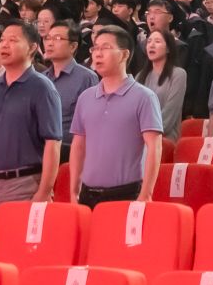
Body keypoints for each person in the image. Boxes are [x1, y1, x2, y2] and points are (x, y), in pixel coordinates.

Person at [67, 26, 163, 206]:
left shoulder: (144, 97)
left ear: (124, 54)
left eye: (105, 48)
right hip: (87, 194)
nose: (98, 54)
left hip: (126, 193)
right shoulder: (86, 97)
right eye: (95, 48)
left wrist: (146, 193)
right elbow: (78, 146)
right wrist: (73, 190)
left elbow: (154, 148)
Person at [0, 21, 62, 206]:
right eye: (2, 40)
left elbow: (53, 143)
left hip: (26, 184)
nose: (4, 45)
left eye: (13, 40)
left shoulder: (42, 87)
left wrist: (44, 192)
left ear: (32, 48)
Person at [42, 22, 97, 146]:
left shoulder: (86, 77)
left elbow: (91, 122)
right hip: (40, 148)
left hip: (69, 149)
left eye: (57, 38)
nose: (50, 43)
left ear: (73, 46)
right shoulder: (42, 78)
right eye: (47, 38)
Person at [134, 28, 186, 139]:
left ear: (168, 48)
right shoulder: (140, 76)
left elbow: (170, 113)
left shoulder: (178, 74)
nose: (151, 45)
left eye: (157, 41)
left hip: (165, 138)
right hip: (139, 137)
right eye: (149, 41)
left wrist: (147, 134)